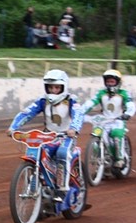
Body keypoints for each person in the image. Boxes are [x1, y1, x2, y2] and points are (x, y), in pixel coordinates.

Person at [7, 69, 84, 202]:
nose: (53, 90)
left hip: (66, 137)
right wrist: (13, 127)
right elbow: (27, 112)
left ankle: (62, 189)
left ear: (64, 87)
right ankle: (40, 179)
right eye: (50, 87)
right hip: (48, 136)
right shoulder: (43, 101)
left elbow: (78, 114)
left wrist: (74, 128)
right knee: (36, 151)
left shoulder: (71, 101)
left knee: (62, 153)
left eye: (57, 87)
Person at [82, 69, 136, 168]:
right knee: (97, 133)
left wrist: (128, 114)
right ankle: (99, 159)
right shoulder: (101, 93)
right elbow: (91, 103)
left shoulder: (124, 93)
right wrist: (80, 112)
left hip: (118, 120)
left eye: (112, 81)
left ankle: (120, 159)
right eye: (108, 82)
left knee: (116, 135)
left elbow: (130, 104)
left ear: (118, 82)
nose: (110, 84)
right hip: (104, 120)